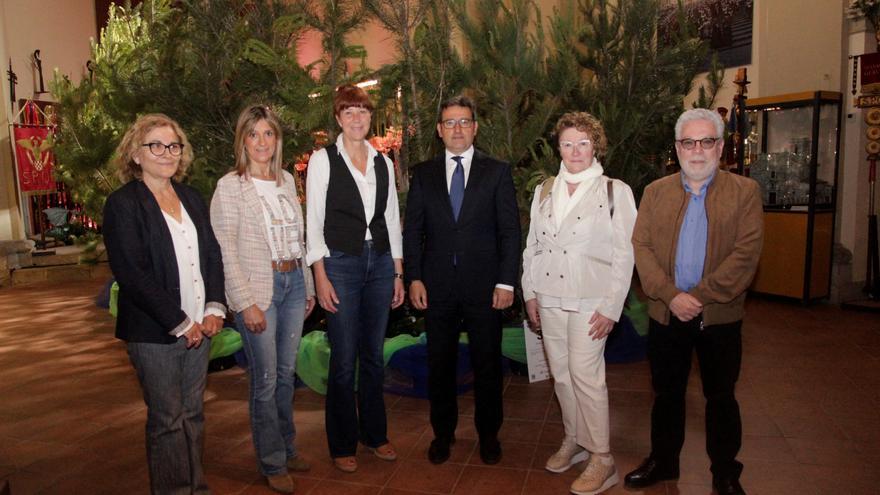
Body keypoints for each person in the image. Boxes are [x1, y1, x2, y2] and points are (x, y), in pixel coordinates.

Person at [625, 108, 764, 495]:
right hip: (666, 313)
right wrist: (671, 296)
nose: (697, 150)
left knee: (720, 396)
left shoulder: (745, 192)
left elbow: (746, 256)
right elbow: (642, 247)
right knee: (666, 393)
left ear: (720, 146)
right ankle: (664, 461)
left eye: (706, 141)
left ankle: (725, 472)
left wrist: (697, 298)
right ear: (677, 147)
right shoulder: (656, 192)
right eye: (689, 142)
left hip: (719, 316)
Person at [103, 114, 226, 494]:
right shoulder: (123, 204)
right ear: (135, 155)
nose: (166, 153)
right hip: (155, 332)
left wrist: (214, 308)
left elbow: (211, 255)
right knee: (168, 419)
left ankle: (196, 487)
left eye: (173, 146)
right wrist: (179, 321)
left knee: (193, 415)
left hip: (199, 330)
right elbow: (132, 273)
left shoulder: (190, 197)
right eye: (155, 145)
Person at [521, 112, 637, 495]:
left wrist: (611, 306)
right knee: (562, 374)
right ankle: (574, 440)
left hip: (592, 299)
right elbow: (532, 247)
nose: (575, 151)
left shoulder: (613, 191)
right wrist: (530, 293)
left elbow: (625, 254)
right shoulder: (545, 190)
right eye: (568, 143)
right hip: (549, 296)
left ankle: (602, 458)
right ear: (558, 147)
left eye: (583, 143)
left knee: (587, 376)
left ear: (595, 146)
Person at [403, 95, 521, 465]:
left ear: (475, 127)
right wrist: (414, 278)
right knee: (440, 364)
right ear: (439, 130)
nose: (457, 129)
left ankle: (488, 435)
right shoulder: (423, 174)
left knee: (487, 364)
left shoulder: (497, 171)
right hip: (436, 287)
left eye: (464, 121)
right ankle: (443, 434)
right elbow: (413, 232)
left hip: (486, 288)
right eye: (450, 122)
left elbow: (510, 232)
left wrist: (506, 283)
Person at [210, 104, 315, 493]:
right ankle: (271, 461)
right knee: (266, 379)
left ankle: (287, 448)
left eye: (268, 133)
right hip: (259, 290)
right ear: (242, 141)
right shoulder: (230, 186)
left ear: (277, 139)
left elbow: (296, 238)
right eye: (253, 134)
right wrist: (244, 302)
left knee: (287, 376)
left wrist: (308, 285)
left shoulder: (287, 180)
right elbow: (226, 251)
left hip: (292, 286)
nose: (261, 142)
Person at [305, 84, 405, 473]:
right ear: (338, 119)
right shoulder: (323, 160)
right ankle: (342, 441)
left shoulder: (383, 162)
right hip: (341, 264)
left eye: (362, 111)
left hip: (379, 263)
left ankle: (375, 435)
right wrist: (321, 275)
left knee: (374, 357)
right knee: (344, 361)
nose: (357, 119)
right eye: (349, 112)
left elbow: (392, 219)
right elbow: (312, 223)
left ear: (370, 116)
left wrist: (397, 272)